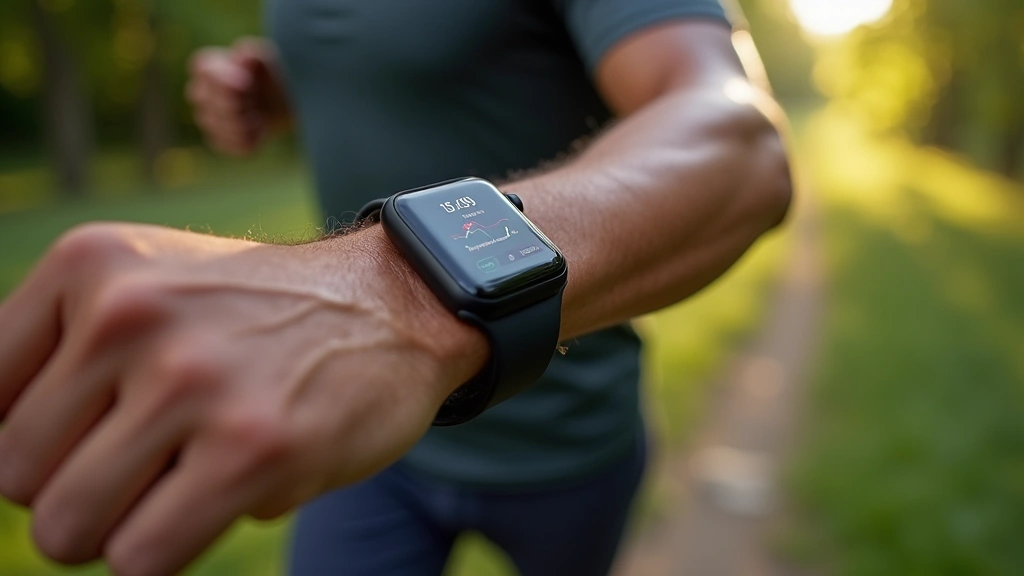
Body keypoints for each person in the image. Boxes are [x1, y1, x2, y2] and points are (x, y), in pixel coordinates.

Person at [0, 0, 792, 574]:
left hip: (562, 434)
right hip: (364, 442)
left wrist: (402, 294)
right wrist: (275, 86)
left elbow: (739, 141)